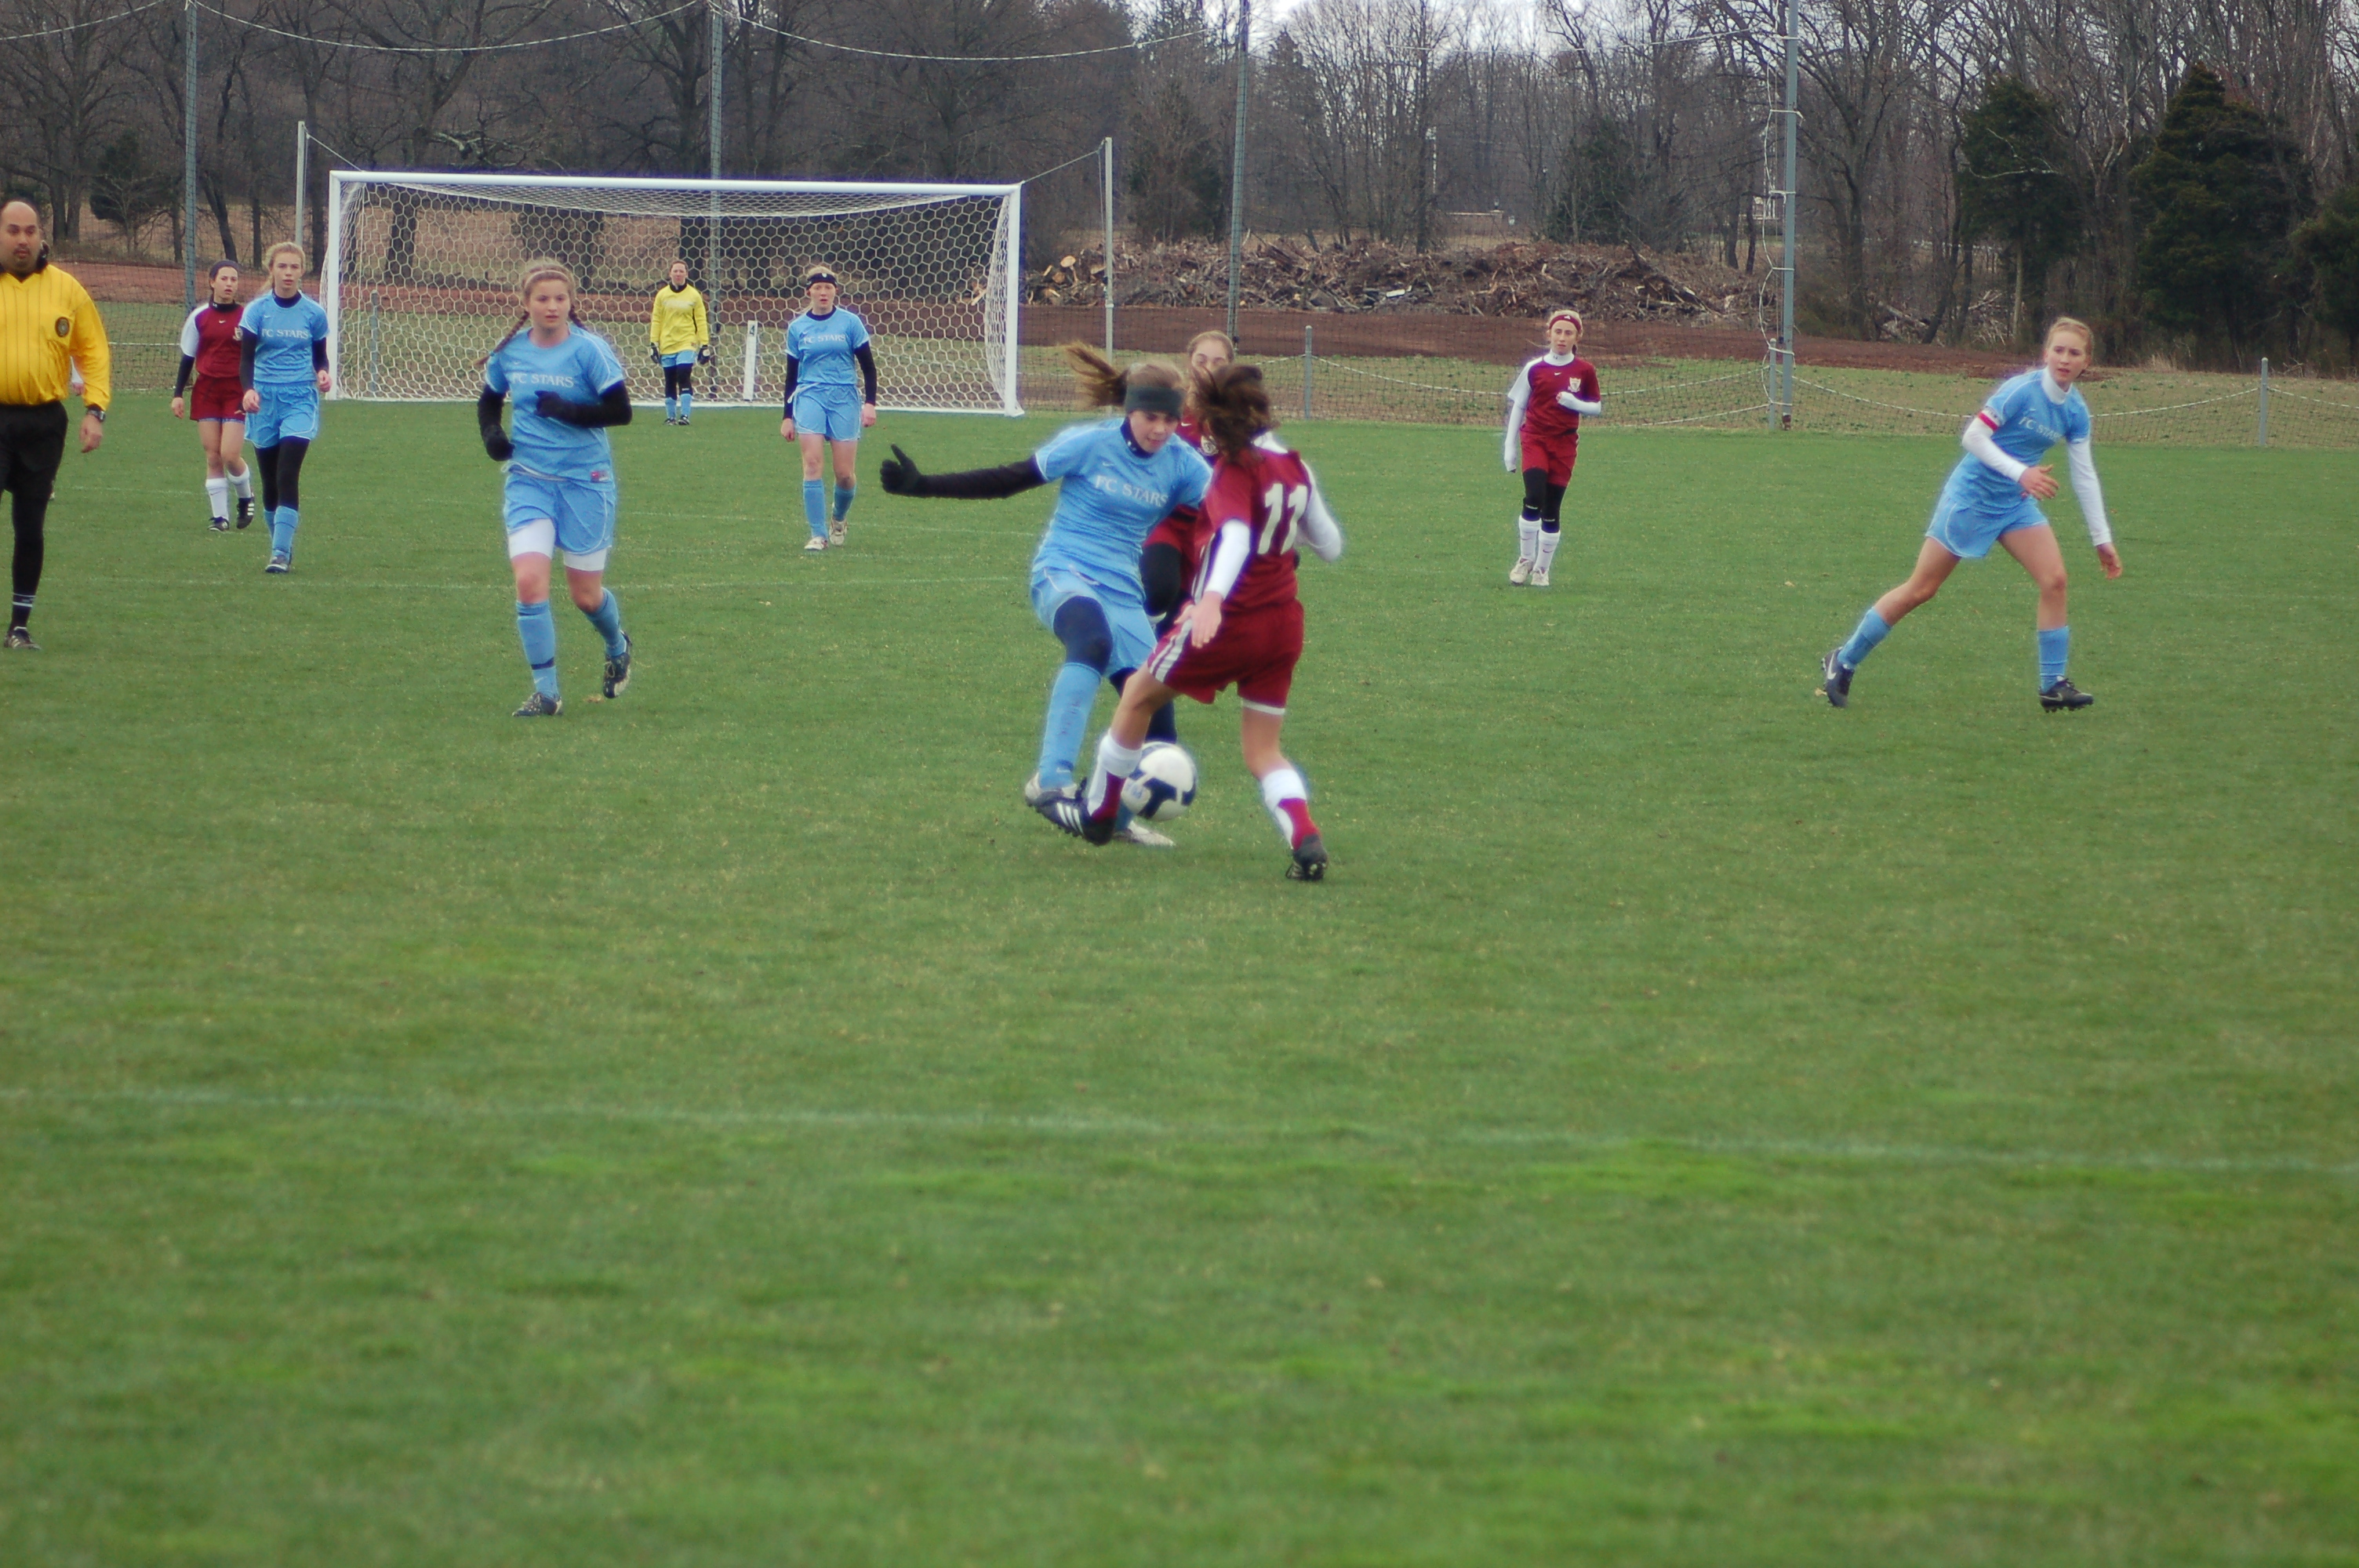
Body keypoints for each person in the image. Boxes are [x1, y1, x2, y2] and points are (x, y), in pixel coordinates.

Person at [878, 345, 1211, 842]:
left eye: (1170, 419)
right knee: (1092, 642)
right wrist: (923, 485)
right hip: (1064, 570)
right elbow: (1008, 480)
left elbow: (1234, 516)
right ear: (1130, 410)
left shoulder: (1183, 464)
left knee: (1158, 721)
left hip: (1124, 593)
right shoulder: (1090, 444)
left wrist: (1275, 548)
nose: (1161, 429)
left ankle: (1107, 820)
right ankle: (1050, 780)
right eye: (1150, 417)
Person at [1056, 364, 1345, 881]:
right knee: (1263, 749)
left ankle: (1098, 812)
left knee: (1137, 696)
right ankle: (1303, 835)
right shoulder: (1296, 467)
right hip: (1283, 626)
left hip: (1230, 620)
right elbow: (1331, 546)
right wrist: (1283, 535)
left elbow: (1234, 535)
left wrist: (1210, 599)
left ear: (1214, 420)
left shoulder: (1235, 469)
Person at [1822, 317, 2122, 712]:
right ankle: (1843, 660)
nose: (2065, 359)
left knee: (2055, 580)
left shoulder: (2076, 411)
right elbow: (1973, 437)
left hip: (2014, 504)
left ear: (2087, 362)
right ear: (2046, 353)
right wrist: (2021, 473)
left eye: (2075, 353)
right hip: (1971, 498)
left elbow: (2085, 476)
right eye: (2059, 350)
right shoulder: (2020, 391)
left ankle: (2053, 685)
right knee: (1921, 589)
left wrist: (2102, 539)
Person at [478, 260, 635, 719]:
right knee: (529, 583)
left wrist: (567, 410)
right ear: (525, 303)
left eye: (560, 298)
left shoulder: (590, 350)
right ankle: (546, 693)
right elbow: (489, 402)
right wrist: (492, 435)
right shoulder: (510, 352)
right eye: (543, 298)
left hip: (586, 482)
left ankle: (617, 644)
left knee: (586, 596)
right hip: (529, 480)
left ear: (571, 302)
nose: (552, 306)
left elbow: (621, 412)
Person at [0, 198, 108, 650]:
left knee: (30, 527)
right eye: (12, 230)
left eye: (30, 231)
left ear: (42, 236)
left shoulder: (67, 289)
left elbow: (93, 351)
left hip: (45, 423)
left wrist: (95, 410)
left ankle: (19, 627)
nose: (22, 240)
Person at [238, 241, 331, 574]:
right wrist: (248, 390)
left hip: (299, 399)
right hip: (264, 400)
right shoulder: (257, 311)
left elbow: (320, 356)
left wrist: (323, 372)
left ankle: (279, 553)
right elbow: (246, 359)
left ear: (302, 271)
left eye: (294, 267)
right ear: (272, 270)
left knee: (287, 472)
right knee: (269, 481)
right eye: (282, 266)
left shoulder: (313, 313)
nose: (288, 273)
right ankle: (281, 545)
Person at [778, 265, 876, 551]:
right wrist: (787, 416)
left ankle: (839, 517)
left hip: (844, 397)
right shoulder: (798, 328)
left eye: (828, 288)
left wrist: (870, 403)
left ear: (836, 291)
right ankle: (818, 535)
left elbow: (869, 368)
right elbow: (791, 376)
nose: (823, 293)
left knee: (844, 474)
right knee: (812, 464)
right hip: (810, 396)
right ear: (808, 292)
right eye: (818, 288)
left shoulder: (850, 323)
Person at [1502, 307, 1601, 587]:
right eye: (1558, 331)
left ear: (1577, 337)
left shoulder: (1585, 370)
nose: (1562, 337)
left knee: (1552, 508)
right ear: (1549, 334)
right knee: (1534, 495)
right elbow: (1519, 405)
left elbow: (1596, 407)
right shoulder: (1534, 368)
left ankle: (1542, 570)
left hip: (1565, 444)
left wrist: (1575, 404)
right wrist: (1509, 446)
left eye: (1568, 333)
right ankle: (1525, 559)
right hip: (1535, 438)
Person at [173, 260, 255, 532]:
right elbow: (188, 356)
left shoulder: (247, 317)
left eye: (234, 279)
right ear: (212, 282)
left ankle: (246, 497)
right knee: (213, 456)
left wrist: (252, 389)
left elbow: (255, 356)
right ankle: (220, 518)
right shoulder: (199, 317)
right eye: (224, 279)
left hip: (236, 391)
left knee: (229, 454)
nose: (229, 284)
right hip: (207, 390)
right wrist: (178, 394)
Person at [649, 260, 711, 425]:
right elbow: (657, 320)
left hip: (687, 342)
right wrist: (653, 343)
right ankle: (670, 417)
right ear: (670, 273)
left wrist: (704, 344)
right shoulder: (662, 295)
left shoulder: (694, 295)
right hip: (667, 343)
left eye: (681, 271)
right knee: (670, 379)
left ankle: (685, 416)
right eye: (675, 271)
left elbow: (701, 320)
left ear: (686, 274)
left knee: (683, 374)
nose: (678, 274)